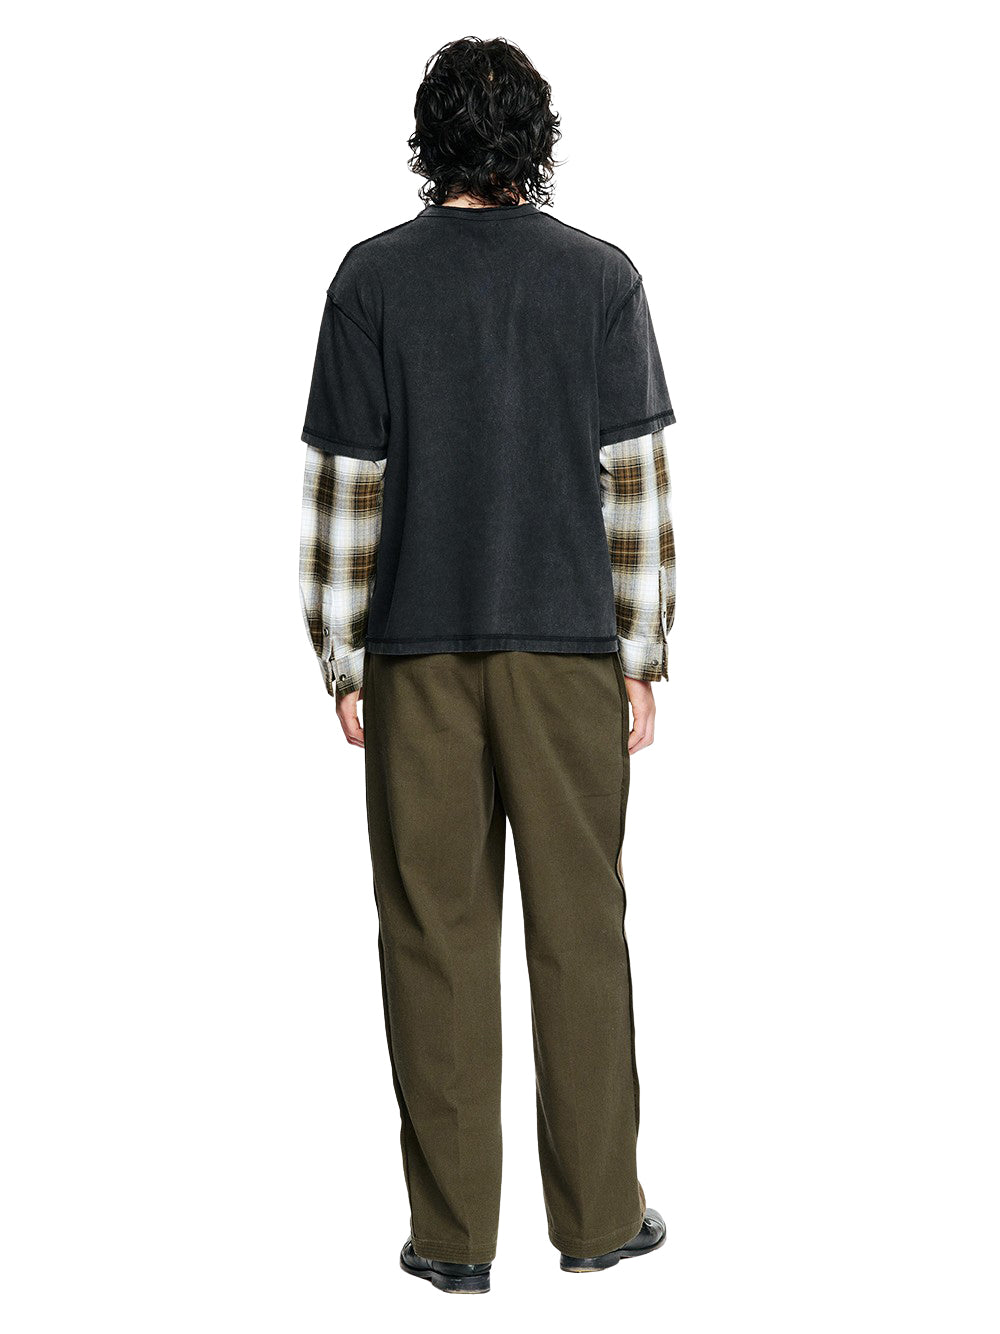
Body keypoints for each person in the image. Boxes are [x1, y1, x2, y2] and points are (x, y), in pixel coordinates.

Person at [298, 35, 676, 1295]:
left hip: (416, 654)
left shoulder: (371, 280)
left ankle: (454, 1237)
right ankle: (600, 1215)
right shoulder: (600, 278)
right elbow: (634, 484)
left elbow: (347, 487)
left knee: (431, 936)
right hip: (568, 651)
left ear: (428, 141)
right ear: (537, 141)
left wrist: (342, 656)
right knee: (581, 930)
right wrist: (642, 653)